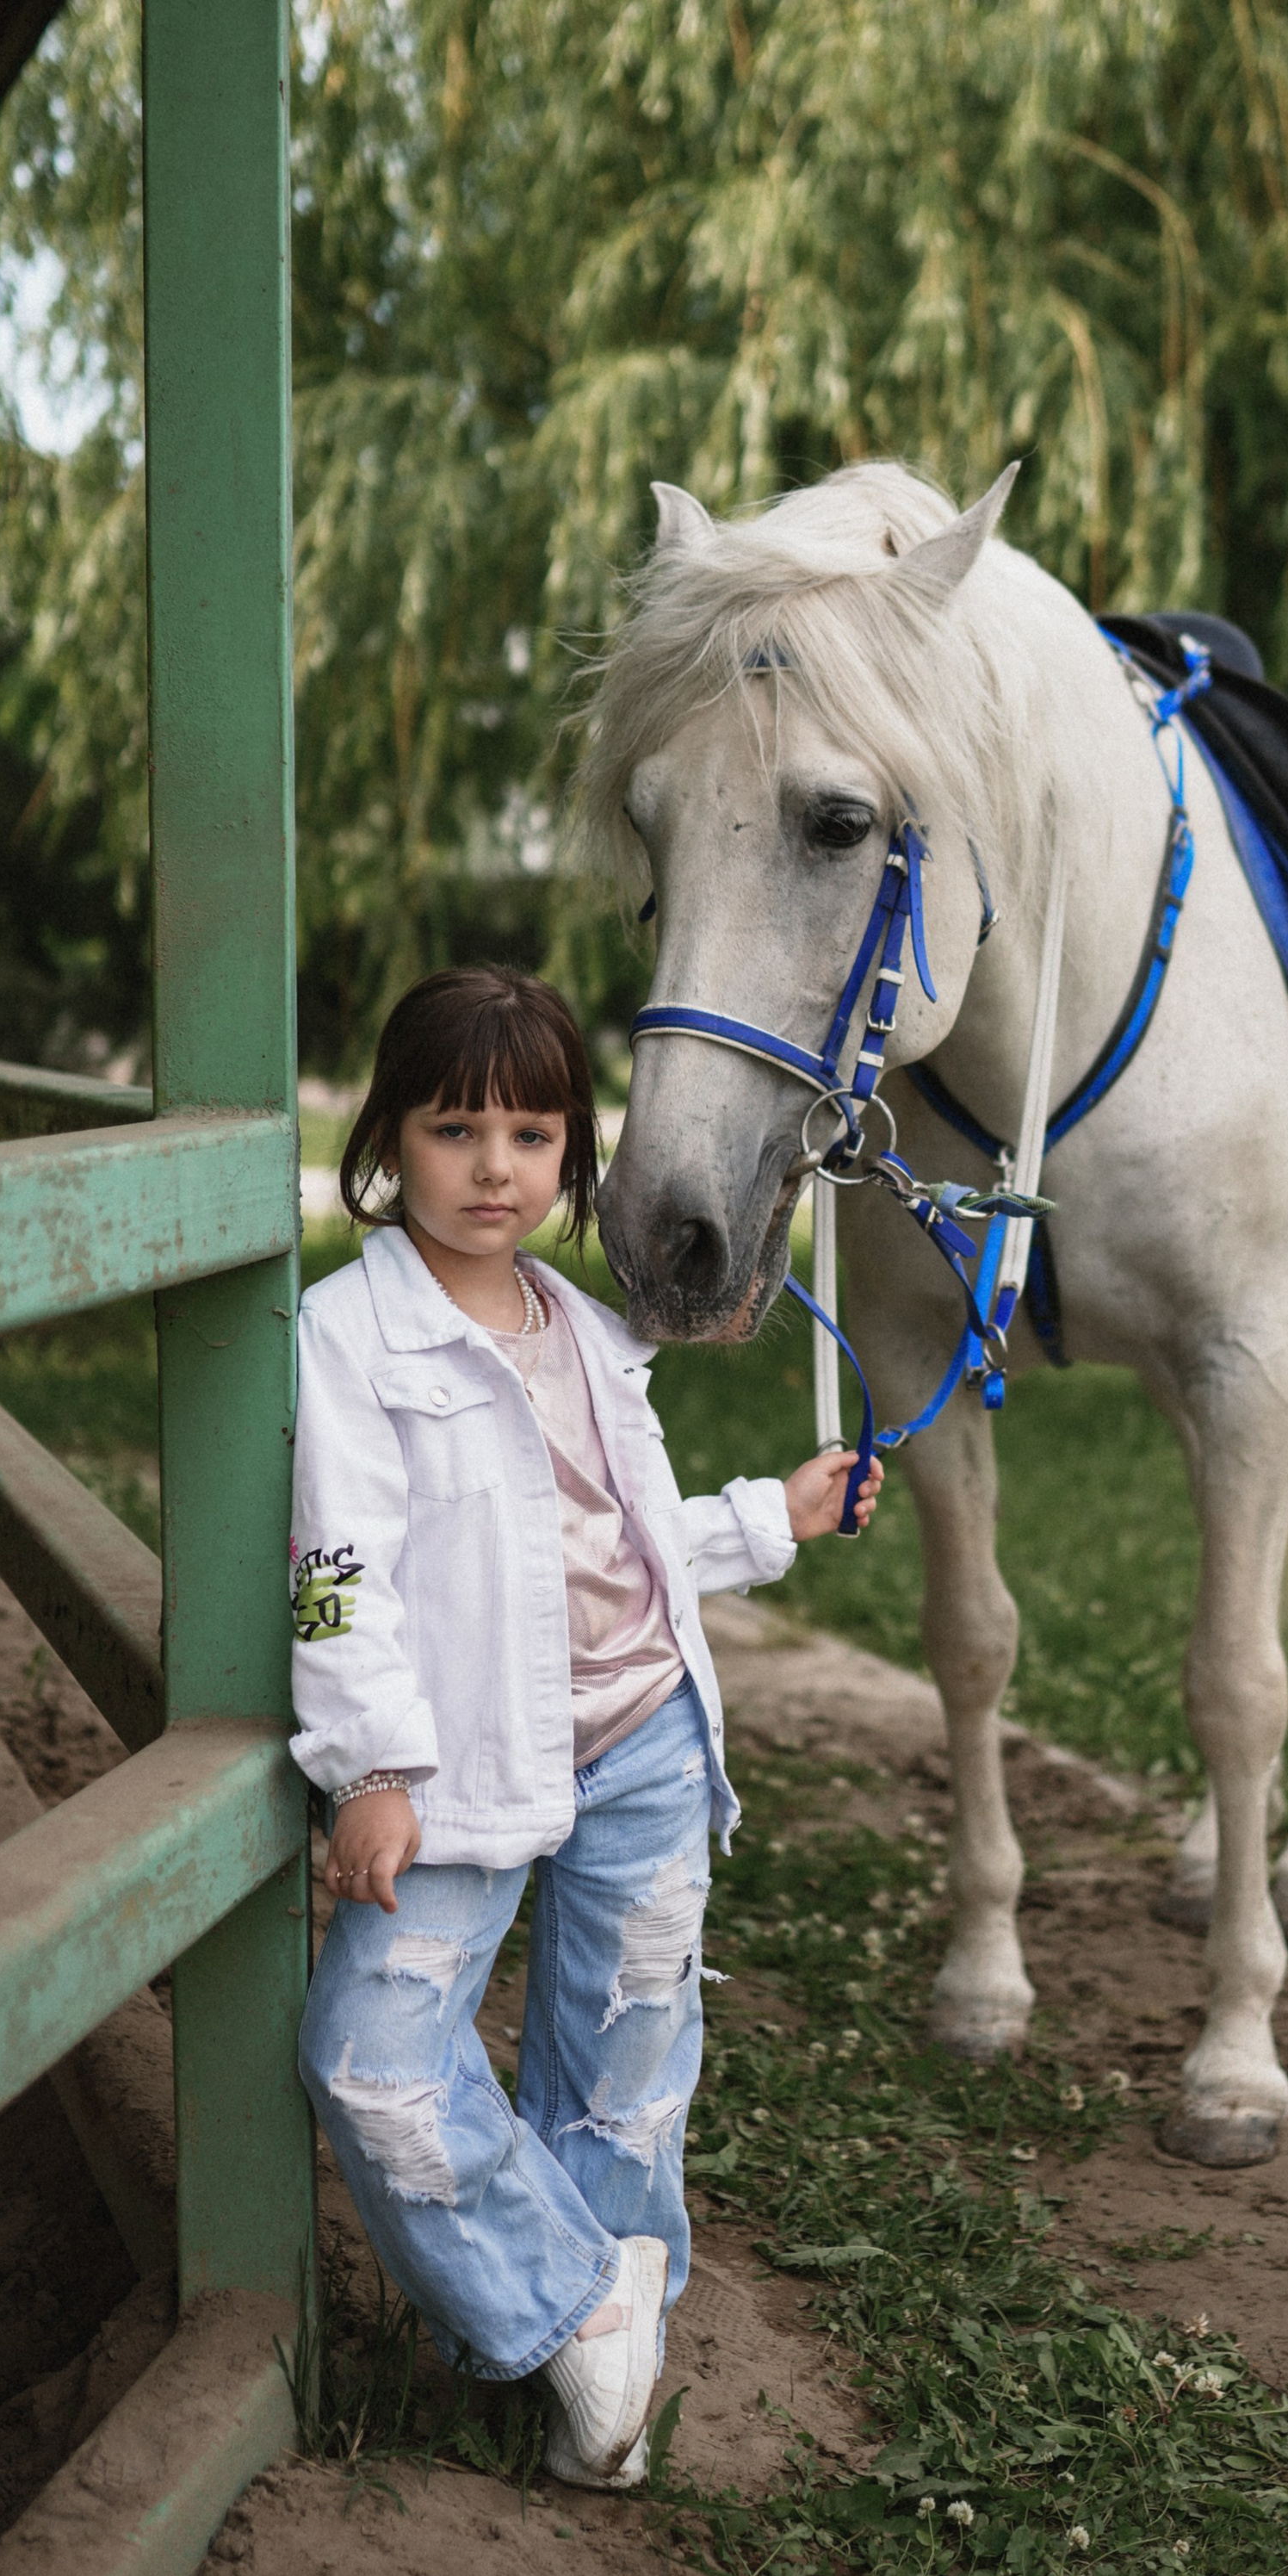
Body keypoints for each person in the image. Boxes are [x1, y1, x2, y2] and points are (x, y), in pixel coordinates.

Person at [288, 964, 879, 2490]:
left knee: (625, 2071)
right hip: (460, 1768)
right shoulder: (348, 1335)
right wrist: (375, 1770)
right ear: (388, 1144)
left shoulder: (587, 1324)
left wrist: (776, 1517)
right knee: (374, 2059)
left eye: (534, 1134)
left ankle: (587, 2402)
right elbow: (335, 1575)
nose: (496, 1168)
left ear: (574, 1156)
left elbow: (620, 1543)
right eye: (455, 1128)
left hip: (646, 1740)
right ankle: (575, 2309)